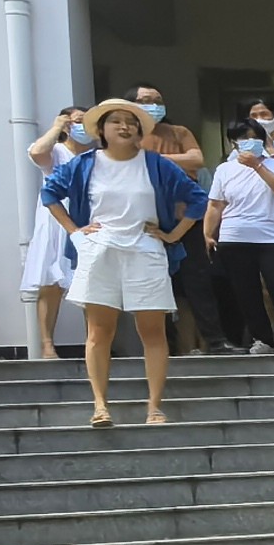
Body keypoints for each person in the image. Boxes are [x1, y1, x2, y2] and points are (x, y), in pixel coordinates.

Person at [39, 99, 203, 426]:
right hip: (100, 249)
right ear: (101, 129)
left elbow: (198, 198)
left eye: (131, 122)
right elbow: (50, 193)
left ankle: (154, 407)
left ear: (140, 130)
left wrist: (173, 235)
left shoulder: (157, 165)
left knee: (152, 331)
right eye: (115, 121)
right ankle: (100, 405)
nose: (124, 127)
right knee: (99, 331)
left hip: (145, 249)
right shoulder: (84, 164)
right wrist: (75, 231)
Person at [132, 91, 225, 352]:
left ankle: (215, 341)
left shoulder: (178, 132)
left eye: (157, 100)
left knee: (198, 282)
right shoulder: (130, 136)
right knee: (153, 284)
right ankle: (164, 346)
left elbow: (196, 159)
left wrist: (153, 159)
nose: (153, 105)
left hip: (187, 217)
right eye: (145, 101)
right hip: (147, 219)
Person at [208, 114, 274, 353]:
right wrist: (208, 234)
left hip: (273, 237)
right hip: (234, 236)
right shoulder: (224, 169)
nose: (250, 143)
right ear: (233, 142)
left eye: (255, 138)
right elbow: (215, 205)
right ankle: (261, 338)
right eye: (244, 138)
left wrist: (258, 166)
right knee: (246, 292)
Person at [18, 105, 87, 356]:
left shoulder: (96, 155)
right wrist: (57, 127)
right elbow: (37, 153)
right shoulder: (56, 152)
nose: (82, 126)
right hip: (55, 222)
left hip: (87, 220)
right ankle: (47, 344)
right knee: (50, 283)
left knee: (91, 283)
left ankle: (95, 343)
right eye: (77, 121)